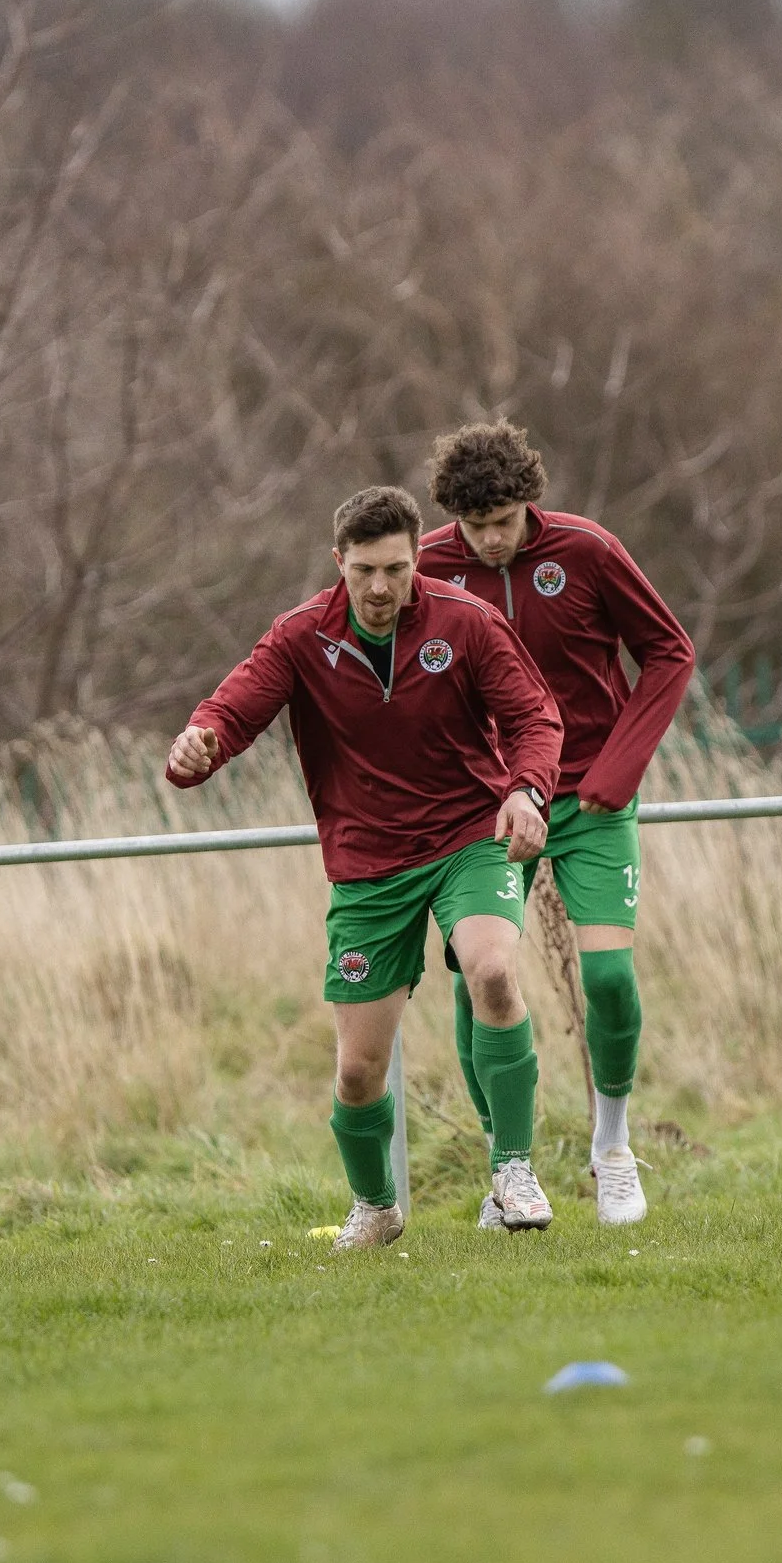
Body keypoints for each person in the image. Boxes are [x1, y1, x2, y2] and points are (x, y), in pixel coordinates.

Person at [167, 486, 566, 1248]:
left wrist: (524, 791)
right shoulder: (299, 637)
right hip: (368, 861)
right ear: (337, 565)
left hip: (466, 839)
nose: (381, 588)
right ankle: (377, 1208)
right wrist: (198, 743)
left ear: (419, 558)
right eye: (363, 572)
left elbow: (532, 717)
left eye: (396, 569)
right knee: (357, 1073)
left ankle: (513, 1170)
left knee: (491, 971)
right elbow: (231, 712)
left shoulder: (467, 622)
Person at [417, 422, 697, 1228]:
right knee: (484, 981)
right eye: (475, 528)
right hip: (486, 805)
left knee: (608, 979)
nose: (491, 540)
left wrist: (620, 767)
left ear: (527, 503)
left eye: (503, 521)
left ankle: (612, 1147)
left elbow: (669, 652)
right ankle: (510, 1171)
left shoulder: (588, 551)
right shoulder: (429, 569)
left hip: (589, 801)